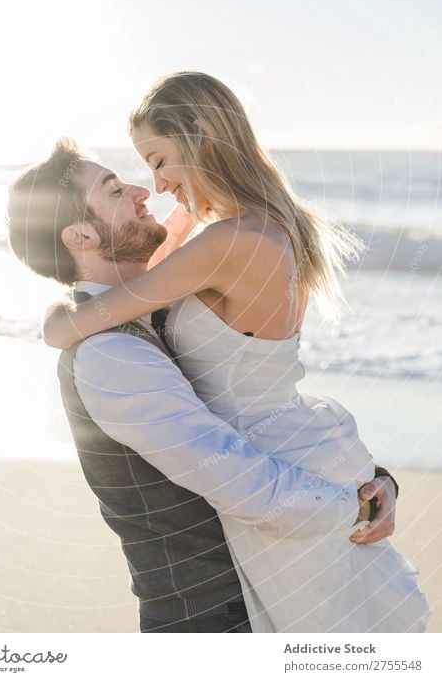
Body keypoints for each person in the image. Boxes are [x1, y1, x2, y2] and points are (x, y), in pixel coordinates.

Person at [42, 72, 430, 633]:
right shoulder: (243, 228)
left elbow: (80, 321)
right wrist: (370, 482)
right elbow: (143, 266)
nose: (151, 184)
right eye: (136, 172)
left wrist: (56, 318)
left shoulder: (225, 241)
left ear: (202, 140)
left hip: (273, 465)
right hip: (292, 444)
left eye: (158, 159)